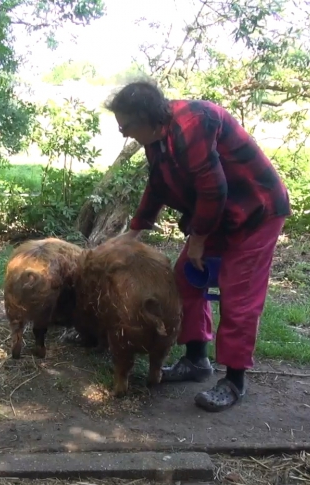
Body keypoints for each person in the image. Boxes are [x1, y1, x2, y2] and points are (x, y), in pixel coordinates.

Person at [107, 80, 291, 412]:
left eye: (126, 126)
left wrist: (198, 241)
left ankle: (234, 381)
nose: (123, 134)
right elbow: (158, 184)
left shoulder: (193, 123)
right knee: (185, 282)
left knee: (239, 295)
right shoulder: (157, 138)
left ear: (147, 118)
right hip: (217, 215)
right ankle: (196, 360)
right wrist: (134, 231)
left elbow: (213, 190)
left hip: (255, 210)